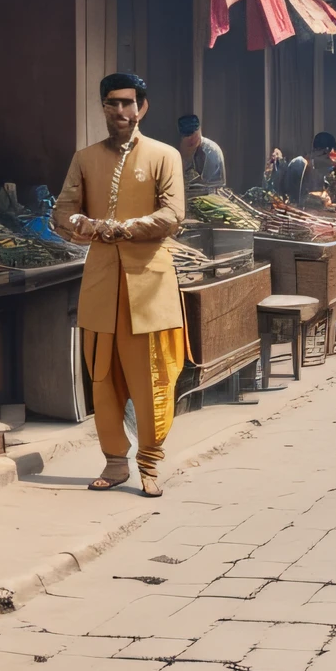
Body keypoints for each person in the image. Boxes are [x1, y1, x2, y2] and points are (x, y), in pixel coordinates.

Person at [54, 74, 187, 495]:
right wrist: (82, 224)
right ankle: (115, 462)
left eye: (128, 103)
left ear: (142, 107)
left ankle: (149, 462)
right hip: (100, 283)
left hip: (148, 284)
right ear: (103, 108)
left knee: (152, 376)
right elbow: (63, 211)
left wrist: (126, 228)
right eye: (112, 104)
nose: (120, 112)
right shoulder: (85, 158)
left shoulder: (164, 156)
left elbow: (173, 215)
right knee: (102, 376)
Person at [176, 114, 225, 193]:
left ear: (199, 130)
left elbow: (206, 183)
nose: (190, 139)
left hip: (212, 193)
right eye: (186, 135)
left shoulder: (210, 151)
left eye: (193, 134)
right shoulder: (183, 147)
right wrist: (185, 157)